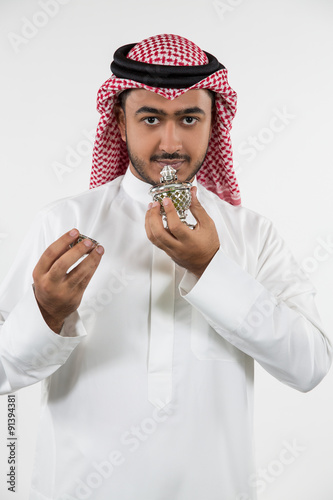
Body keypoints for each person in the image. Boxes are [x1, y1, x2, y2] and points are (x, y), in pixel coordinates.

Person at [0, 34, 331, 500]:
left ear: (214, 122)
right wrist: (46, 314)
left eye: (189, 118)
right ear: (119, 121)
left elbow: (310, 366)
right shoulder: (64, 225)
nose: (170, 141)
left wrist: (211, 268)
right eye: (151, 118)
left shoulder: (252, 234)